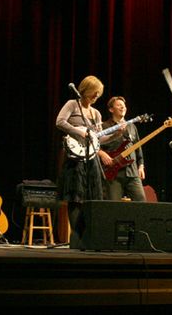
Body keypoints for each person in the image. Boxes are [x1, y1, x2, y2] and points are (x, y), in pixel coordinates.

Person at [56, 76, 117, 244]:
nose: (96, 95)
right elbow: (59, 122)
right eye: (94, 92)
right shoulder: (72, 105)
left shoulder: (96, 113)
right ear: (85, 90)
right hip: (74, 157)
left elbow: (98, 139)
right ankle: (76, 238)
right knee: (76, 197)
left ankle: (90, 236)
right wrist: (79, 131)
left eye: (98, 94)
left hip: (91, 158)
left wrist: (116, 134)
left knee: (93, 196)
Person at [98, 96, 146, 202]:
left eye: (124, 106)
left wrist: (141, 165)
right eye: (119, 105)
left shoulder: (132, 127)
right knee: (114, 206)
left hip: (132, 171)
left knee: (142, 203)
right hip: (114, 172)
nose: (122, 107)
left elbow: (138, 147)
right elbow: (94, 145)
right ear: (111, 109)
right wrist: (101, 153)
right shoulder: (104, 126)